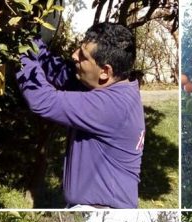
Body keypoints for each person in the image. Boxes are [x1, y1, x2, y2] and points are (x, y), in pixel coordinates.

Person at [17, 23, 145, 209]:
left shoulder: (111, 106)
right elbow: (58, 71)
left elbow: (43, 101)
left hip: (99, 209)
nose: (74, 55)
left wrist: (17, 52)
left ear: (105, 71)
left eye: (83, 56)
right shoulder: (115, 86)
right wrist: (24, 32)